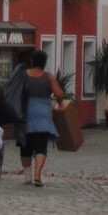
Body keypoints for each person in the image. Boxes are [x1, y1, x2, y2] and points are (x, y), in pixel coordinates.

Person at [18, 49, 64, 187]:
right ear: (44, 62)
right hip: (43, 114)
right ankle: (37, 174)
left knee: (25, 146)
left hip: (26, 113)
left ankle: (27, 176)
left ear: (32, 61)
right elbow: (59, 94)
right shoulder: (49, 77)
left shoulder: (23, 75)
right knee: (41, 147)